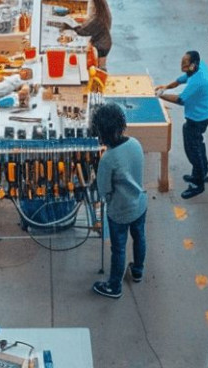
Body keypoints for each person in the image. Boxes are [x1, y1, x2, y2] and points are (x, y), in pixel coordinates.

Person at [89, 102, 146, 299]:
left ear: (100, 132)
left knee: (119, 248)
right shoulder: (135, 143)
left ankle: (114, 286)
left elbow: (104, 190)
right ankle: (137, 271)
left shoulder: (108, 158)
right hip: (140, 204)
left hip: (120, 211)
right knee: (139, 236)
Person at [155, 51, 208, 199]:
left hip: (198, 118)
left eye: (185, 66)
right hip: (205, 112)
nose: (182, 67)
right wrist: (167, 86)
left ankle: (198, 183)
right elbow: (182, 79)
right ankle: (202, 171)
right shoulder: (199, 67)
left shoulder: (197, 81)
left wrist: (160, 95)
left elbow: (181, 100)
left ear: (193, 65)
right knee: (198, 142)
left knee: (192, 149)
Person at [67, 0, 113, 69]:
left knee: (98, 67)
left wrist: (72, 27)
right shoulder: (104, 15)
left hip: (101, 45)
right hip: (106, 43)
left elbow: (84, 31)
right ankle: (101, 71)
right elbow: (91, 22)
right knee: (101, 64)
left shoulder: (98, 20)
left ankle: (100, 74)